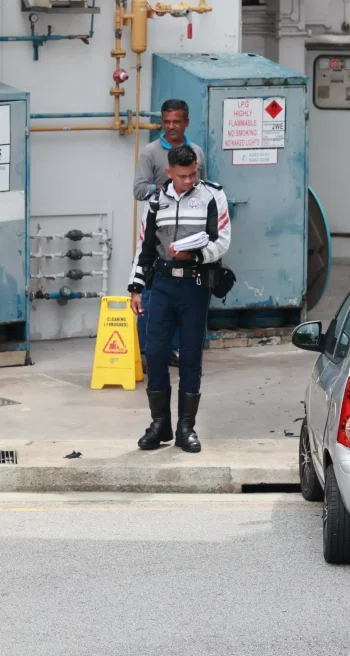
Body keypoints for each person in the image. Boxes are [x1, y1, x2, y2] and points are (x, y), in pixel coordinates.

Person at [128, 144, 230, 454]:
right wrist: (135, 287)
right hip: (162, 286)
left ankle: (187, 427)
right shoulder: (156, 200)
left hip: (195, 285)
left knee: (189, 356)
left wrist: (195, 254)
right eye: (183, 176)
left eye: (193, 174)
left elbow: (222, 241)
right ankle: (160, 425)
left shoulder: (213, 195)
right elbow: (145, 247)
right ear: (169, 172)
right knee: (156, 353)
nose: (189, 180)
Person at [133, 99, 207, 369]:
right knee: (152, 293)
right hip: (159, 238)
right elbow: (138, 190)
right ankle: (149, 350)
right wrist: (164, 186)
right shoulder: (150, 153)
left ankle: (177, 349)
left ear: (186, 122)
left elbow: (204, 190)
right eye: (167, 122)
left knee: (186, 293)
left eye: (177, 122)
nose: (171, 127)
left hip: (189, 238)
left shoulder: (196, 151)